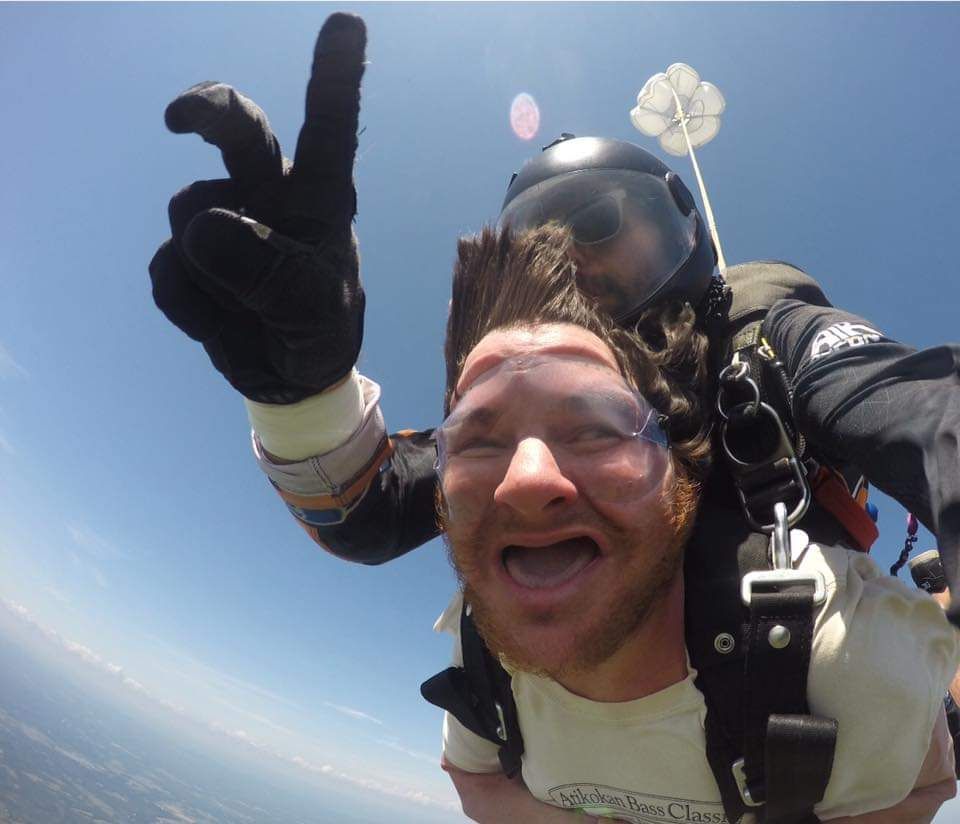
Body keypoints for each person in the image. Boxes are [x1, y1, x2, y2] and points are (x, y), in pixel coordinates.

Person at [427, 222, 959, 823]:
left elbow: (929, 785)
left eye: (597, 429)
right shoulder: (480, 649)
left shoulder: (841, 658)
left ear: (682, 475)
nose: (525, 480)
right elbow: (471, 776)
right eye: (476, 441)